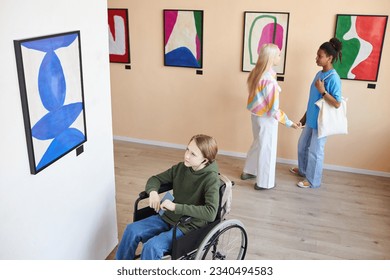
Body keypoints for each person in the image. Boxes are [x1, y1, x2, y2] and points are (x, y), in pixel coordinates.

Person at [115, 134, 220, 260]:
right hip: (168, 216)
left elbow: (211, 213)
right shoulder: (181, 168)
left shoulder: (211, 179)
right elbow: (155, 179)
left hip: (188, 226)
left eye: (193, 154)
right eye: (187, 149)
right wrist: (153, 192)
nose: (186, 155)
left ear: (205, 160)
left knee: (151, 247)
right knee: (131, 230)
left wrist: (176, 207)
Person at [241, 43, 298, 190]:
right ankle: (264, 183)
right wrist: (289, 123)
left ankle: (249, 171)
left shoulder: (256, 73)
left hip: (255, 116)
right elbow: (274, 110)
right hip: (266, 119)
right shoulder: (270, 82)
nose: (280, 57)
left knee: (258, 143)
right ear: (272, 58)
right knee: (267, 148)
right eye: (278, 54)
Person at [290, 38, 343, 188]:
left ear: (329, 58)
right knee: (302, 146)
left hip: (321, 122)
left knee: (315, 152)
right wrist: (304, 118)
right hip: (311, 119)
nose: (317, 59)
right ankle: (303, 170)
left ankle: (313, 180)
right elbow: (313, 100)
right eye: (317, 55)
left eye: (320, 56)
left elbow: (337, 103)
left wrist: (323, 91)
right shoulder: (319, 74)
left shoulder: (334, 78)